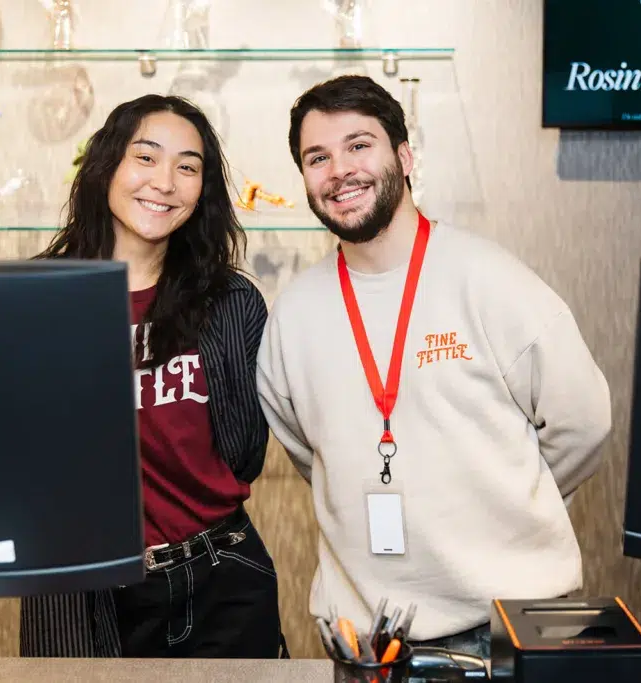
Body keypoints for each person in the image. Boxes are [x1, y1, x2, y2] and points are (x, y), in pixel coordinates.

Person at [0, 94, 286, 660]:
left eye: (188, 166)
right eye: (145, 157)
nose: (166, 182)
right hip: (83, 591)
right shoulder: (31, 301)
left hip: (224, 579)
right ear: (106, 167)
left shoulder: (231, 302)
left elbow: (245, 452)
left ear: (204, 191)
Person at [255, 75, 612, 659]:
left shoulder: (491, 281)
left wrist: (510, 505)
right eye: (317, 157)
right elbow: (310, 453)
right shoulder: (292, 317)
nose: (339, 169)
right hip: (364, 639)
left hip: (508, 629)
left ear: (404, 154)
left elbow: (583, 424)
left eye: (359, 145)